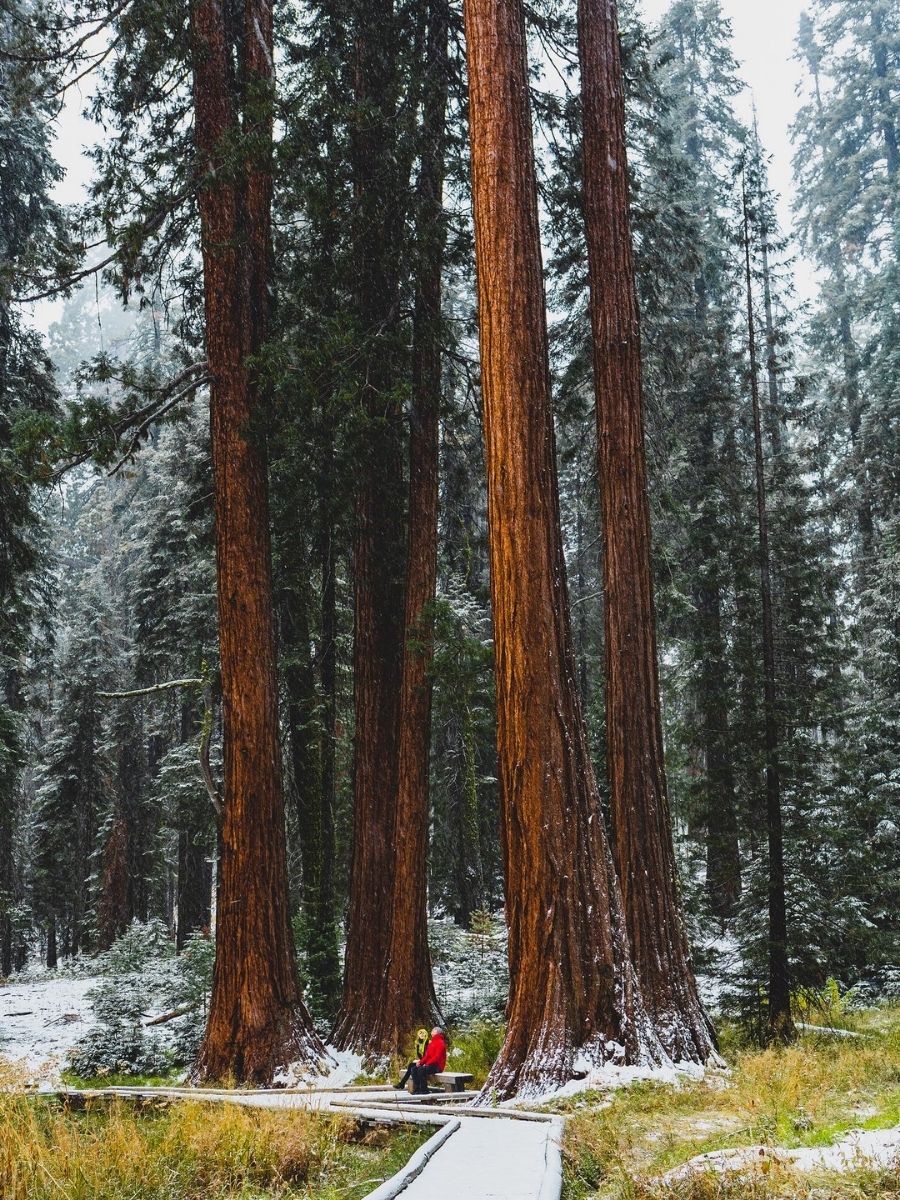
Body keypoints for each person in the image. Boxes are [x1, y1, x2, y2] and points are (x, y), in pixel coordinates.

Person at [394, 1026, 448, 1094]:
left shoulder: (440, 1042)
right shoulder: (432, 1042)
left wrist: (426, 1064)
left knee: (421, 1069)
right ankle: (417, 1089)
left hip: (437, 1066)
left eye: (432, 1031)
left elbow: (437, 1057)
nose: (431, 1032)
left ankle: (424, 1090)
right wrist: (420, 1063)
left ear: (436, 1032)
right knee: (414, 1068)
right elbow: (427, 1056)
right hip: (431, 1064)